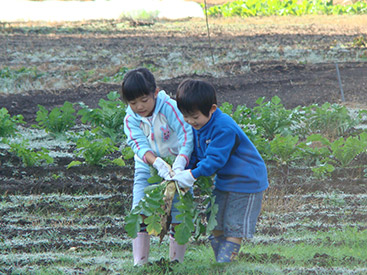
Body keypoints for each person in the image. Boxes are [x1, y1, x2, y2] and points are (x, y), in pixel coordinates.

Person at [173, 79, 269, 263]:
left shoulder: (223, 127)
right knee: (214, 222)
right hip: (225, 180)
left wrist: (191, 175)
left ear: (212, 109)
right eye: (185, 116)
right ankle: (222, 261)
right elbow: (196, 153)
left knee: (233, 226)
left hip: (247, 181)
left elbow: (214, 160)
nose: (190, 121)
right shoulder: (196, 126)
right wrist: (182, 168)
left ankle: (224, 265)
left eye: (194, 116)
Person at [120, 68, 193, 266]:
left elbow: (187, 135)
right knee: (140, 209)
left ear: (155, 92)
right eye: (133, 103)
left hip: (179, 165)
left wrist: (179, 163)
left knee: (179, 211)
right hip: (148, 167)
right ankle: (140, 262)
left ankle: (175, 262)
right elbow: (139, 145)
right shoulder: (130, 118)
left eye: (144, 100)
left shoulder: (170, 107)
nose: (139, 106)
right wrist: (158, 164)